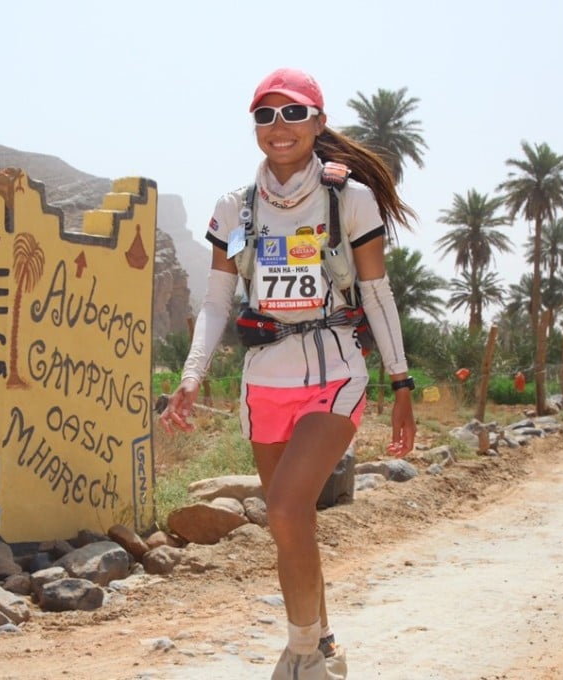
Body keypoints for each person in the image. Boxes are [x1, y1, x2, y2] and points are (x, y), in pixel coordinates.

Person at [159, 67, 417, 680]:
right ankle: (322, 640)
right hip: (264, 381)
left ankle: (302, 657)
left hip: (336, 371)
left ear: (318, 122)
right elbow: (216, 301)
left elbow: (377, 295)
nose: (280, 126)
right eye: (266, 115)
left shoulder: (349, 199)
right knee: (290, 521)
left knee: (282, 508)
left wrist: (402, 383)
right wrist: (192, 376)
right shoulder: (235, 207)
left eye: (294, 113)